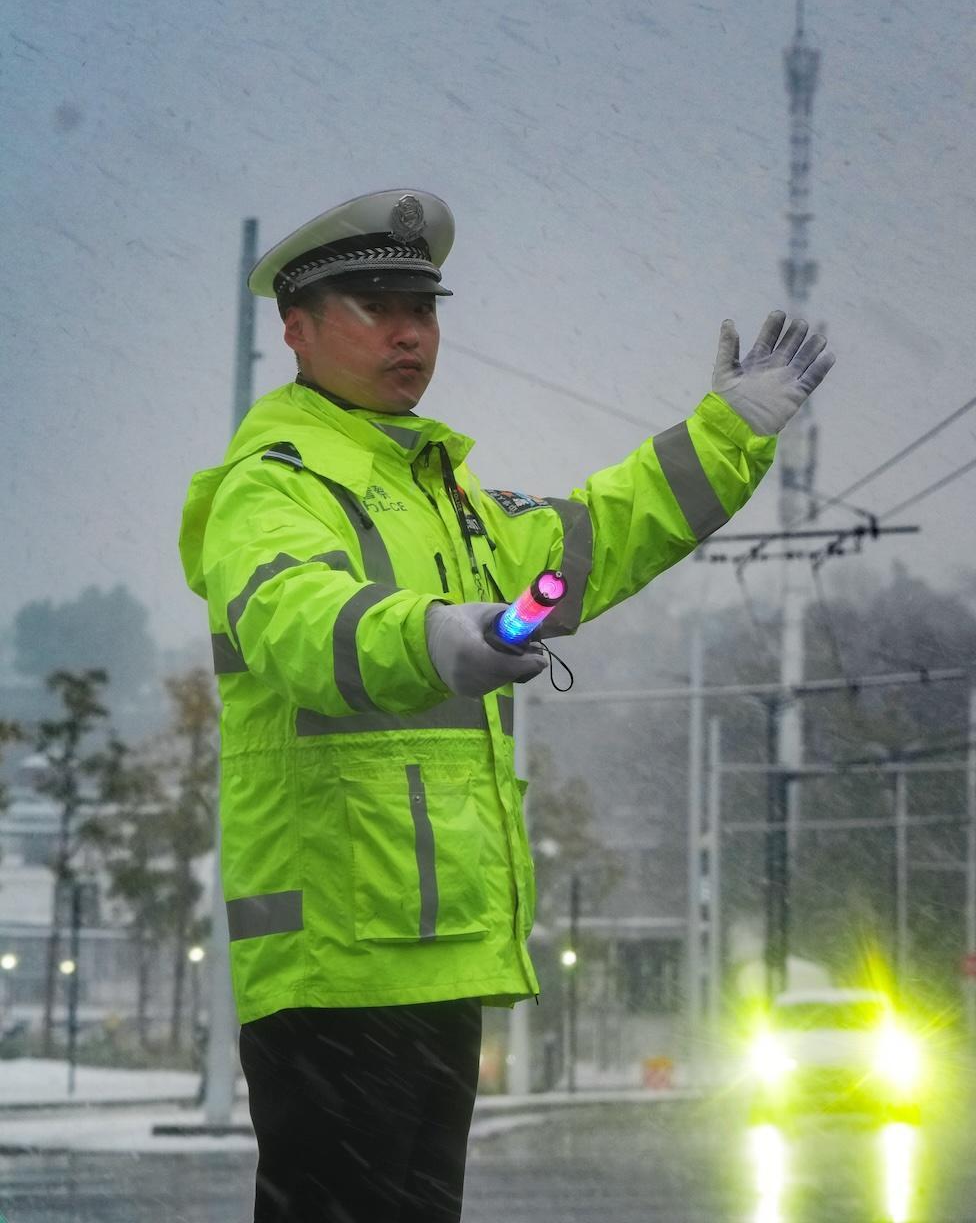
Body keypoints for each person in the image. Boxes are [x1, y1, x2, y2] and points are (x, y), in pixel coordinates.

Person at [177, 189, 835, 1222]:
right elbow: (303, 623)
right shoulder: (273, 486)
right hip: (336, 960)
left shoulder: (446, 495)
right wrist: (433, 635)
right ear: (295, 327)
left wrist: (726, 435)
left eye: (423, 306)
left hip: (431, 951)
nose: (408, 330)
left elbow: (598, 539)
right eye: (374, 304)